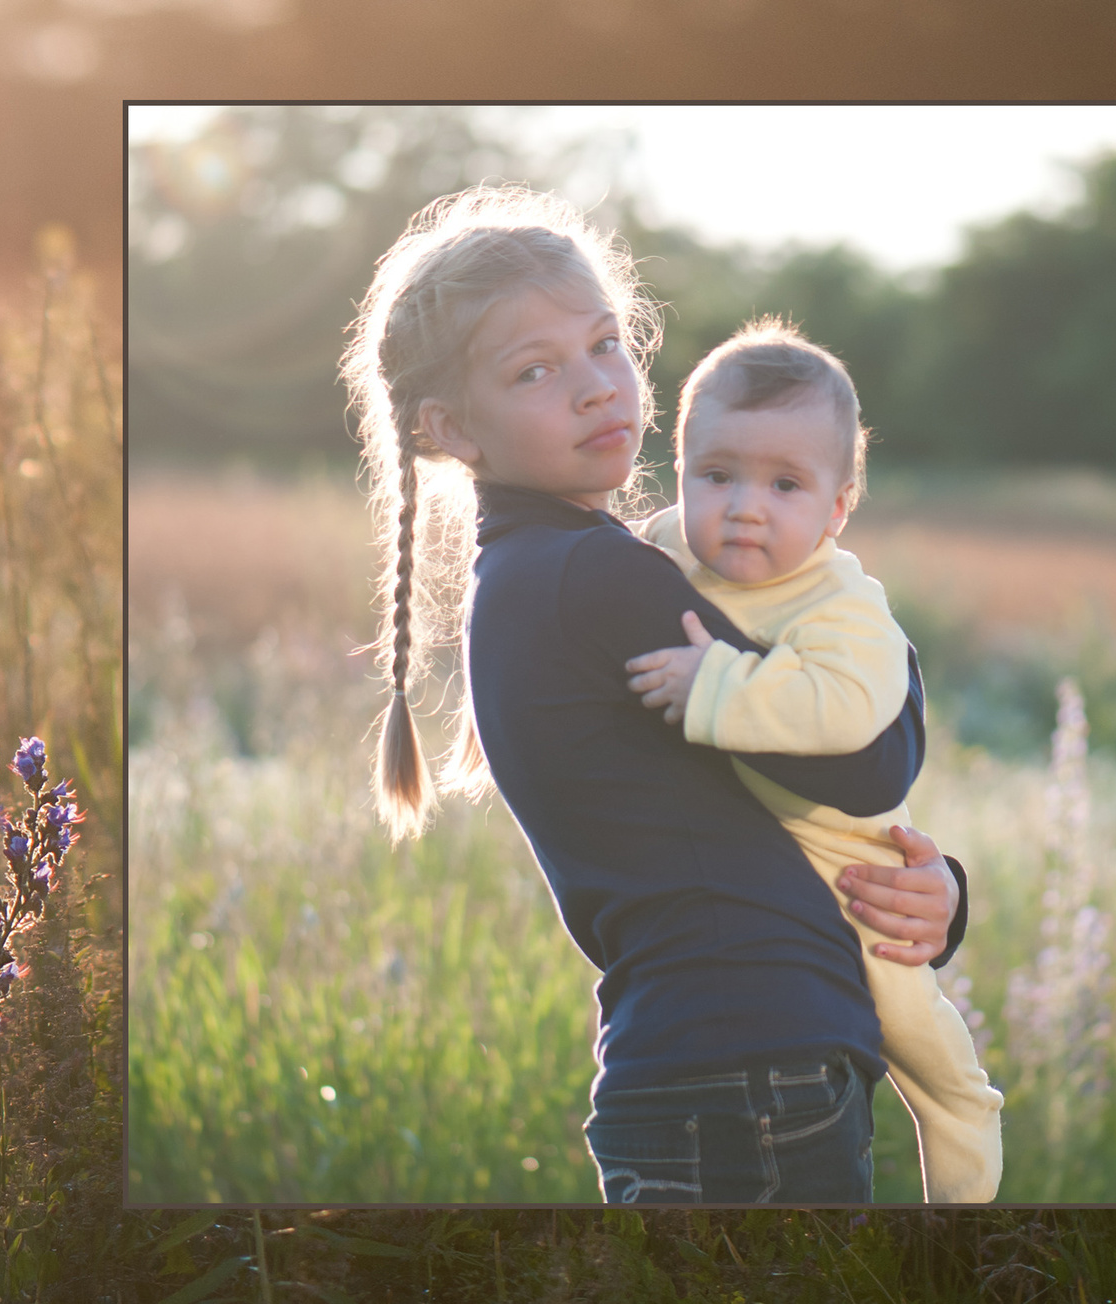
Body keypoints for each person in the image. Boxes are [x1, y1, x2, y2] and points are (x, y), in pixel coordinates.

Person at [342, 186, 968, 1204]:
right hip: (751, 1062)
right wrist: (852, 608)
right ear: (450, 427)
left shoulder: (543, 573)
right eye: (535, 370)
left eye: (604, 345)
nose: (596, 387)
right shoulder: (596, 577)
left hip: (701, 1064)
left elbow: (768, 802)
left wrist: (942, 894)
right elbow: (868, 762)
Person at [619, 319, 1004, 1203]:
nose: (744, 506)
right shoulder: (659, 551)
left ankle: (967, 1181)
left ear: (837, 509)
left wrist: (717, 688)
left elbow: (851, 713)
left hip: (853, 860)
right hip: (746, 916)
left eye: (785, 484)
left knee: (918, 1035)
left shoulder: (843, 604)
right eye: (717, 475)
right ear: (680, 473)